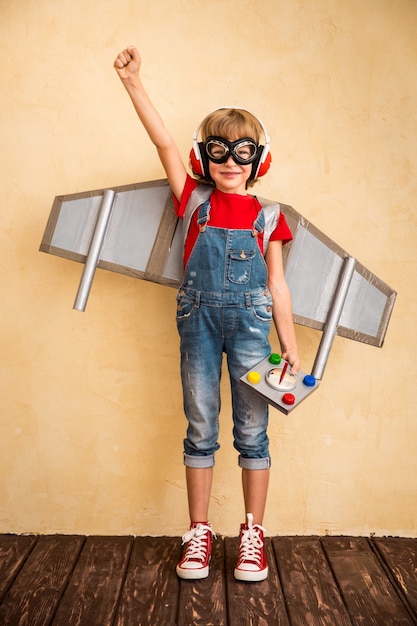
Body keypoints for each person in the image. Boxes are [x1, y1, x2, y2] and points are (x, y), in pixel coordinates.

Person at [114, 46, 300, 582]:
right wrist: (133, 84)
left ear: (258, 161)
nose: (230, 161)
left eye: (243, 152)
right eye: (219, 149)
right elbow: (164, 141)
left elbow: (278, 286)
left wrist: (288, 345)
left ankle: (251, 535)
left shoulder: (270, 216)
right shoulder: (192, 200)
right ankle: (198, 533)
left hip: (251, 331)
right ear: (204, 157)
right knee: (200, 428)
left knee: (253, 431)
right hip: (198, 325)